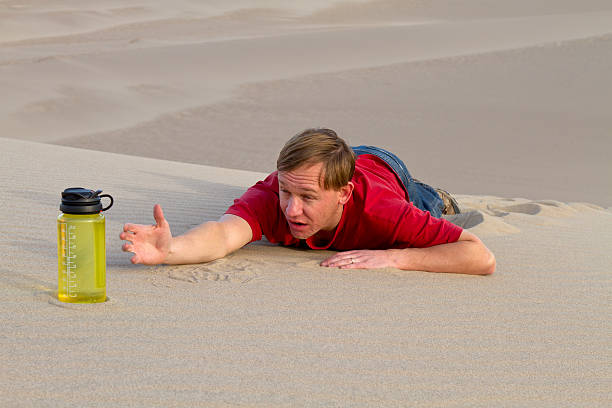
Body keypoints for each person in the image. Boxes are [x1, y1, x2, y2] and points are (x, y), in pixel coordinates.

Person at [120, 128, 495, 275]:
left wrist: (394, 256)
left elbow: (480, 257)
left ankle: (431, 193)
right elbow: (221, 234)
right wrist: (172, 249)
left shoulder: (380, 208)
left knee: (425, 204)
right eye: (286, 192)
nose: (291, 209)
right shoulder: (271, 197)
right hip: (335, 160)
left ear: (344, 195)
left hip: (384, 167)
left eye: (308, 198)